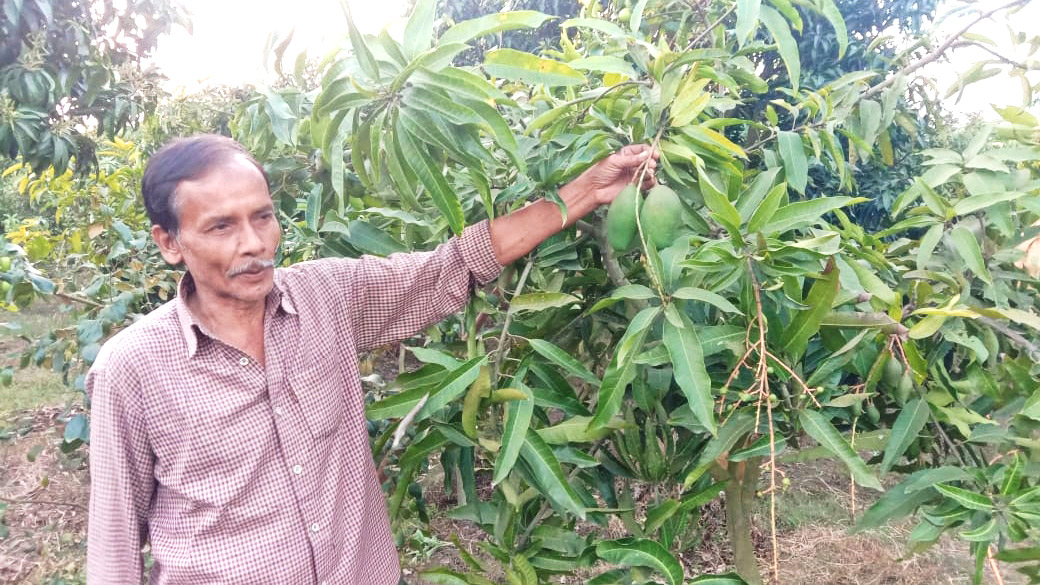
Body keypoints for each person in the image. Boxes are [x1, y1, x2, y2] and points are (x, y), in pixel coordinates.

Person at [86, 133, 658, 584]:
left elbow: (453, 266)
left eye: (262, 217)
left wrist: (586, 189)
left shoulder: (326, 296)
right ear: (169, 243)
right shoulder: (132, 367)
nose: (254, 243)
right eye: (221, 226)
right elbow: (113, 544)